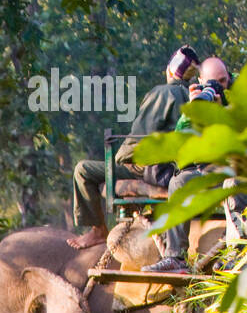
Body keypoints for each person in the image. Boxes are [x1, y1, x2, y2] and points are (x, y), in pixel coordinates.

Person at [68, 46, 199, 250]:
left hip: (148, 167)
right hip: (176, 169)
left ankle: (98, 230)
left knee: (83, 170)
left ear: (170, 71)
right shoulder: (194, 96)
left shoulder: (163, 93)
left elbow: (139, 136)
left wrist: (121, 157)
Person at [143, 57, 232, 274]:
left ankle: (237, 252)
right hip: (208, 170)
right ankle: (176, 257)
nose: (219, 86)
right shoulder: (196, 98)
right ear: (200, 81)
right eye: (213, 82)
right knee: (179, 181)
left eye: (223, 80)